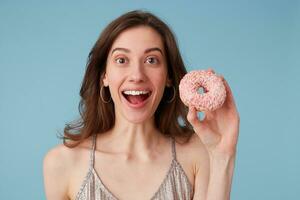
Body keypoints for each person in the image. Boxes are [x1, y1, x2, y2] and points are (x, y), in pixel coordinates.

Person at [43, 10, 240, 200]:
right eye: (121, 60)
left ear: (169, 76)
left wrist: (223, 155)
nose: (137, 75)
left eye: (151, 60)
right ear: (104, 75)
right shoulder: (61, 163)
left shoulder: (198, 153)